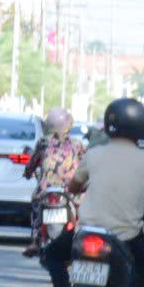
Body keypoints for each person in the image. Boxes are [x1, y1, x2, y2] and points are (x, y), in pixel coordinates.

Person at [38, 96, 144, 287]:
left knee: (52, 254)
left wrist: (83, 187)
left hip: (87, 230)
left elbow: (73, 187)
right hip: (126, 237)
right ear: (142, 128)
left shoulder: (94, 154)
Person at [21, 107, 85, 257]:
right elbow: (86, 166)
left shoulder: (43, 142)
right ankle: (80, 239)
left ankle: (35, 240)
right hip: (72, 190)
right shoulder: (77, 144)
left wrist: (27, 173)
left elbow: (32, 163)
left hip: (46, 190)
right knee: (82, 212)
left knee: (36, 206)